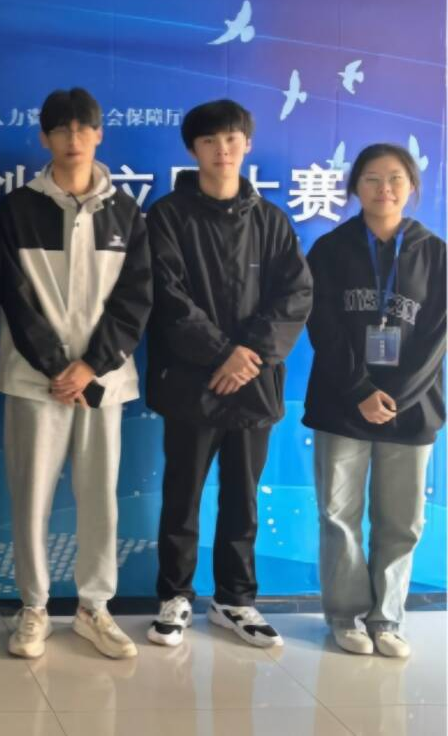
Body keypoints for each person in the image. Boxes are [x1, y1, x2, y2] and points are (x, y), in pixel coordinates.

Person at [145, 99, 312, 649]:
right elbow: (166, 296)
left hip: (253, 384)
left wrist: (249, 356)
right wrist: (221, 354)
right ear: (192, 149)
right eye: (210, 140)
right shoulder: (168, 216)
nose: (222, 150)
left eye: (232, 139)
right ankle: (174, 596)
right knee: (182, 494)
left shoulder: (271, 220)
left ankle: (234, 600)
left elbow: (296, 295)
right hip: (191, 381)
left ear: (247, 145)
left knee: (243, 498)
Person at [0, 88, 151, 661]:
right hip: (36, 379)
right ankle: (34, 606)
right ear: (44, 138)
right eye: (60, 129)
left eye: (83, 128)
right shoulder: (18, 208)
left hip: (102, 383)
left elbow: (136, 298)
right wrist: (58, 367)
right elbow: (12, 295)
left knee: (98, 497)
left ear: (99, 134)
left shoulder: (126, 211)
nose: (73, 139)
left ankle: (93, 608)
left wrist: (90, 366)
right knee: (31, 496)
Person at [303, 143, 444, 659]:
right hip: (342, 402)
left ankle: (386, 618)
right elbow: (323, 327)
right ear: (354, 187)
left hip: (412, 407)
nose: (384, 189)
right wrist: (361, 391)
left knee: (401, 519)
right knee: (338, 514)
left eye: (395, 178)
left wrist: (396, 397)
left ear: (412, 187)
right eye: (371, 179)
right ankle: (344, 616)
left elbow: (437, 335)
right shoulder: (330, 249)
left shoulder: (436, 252)